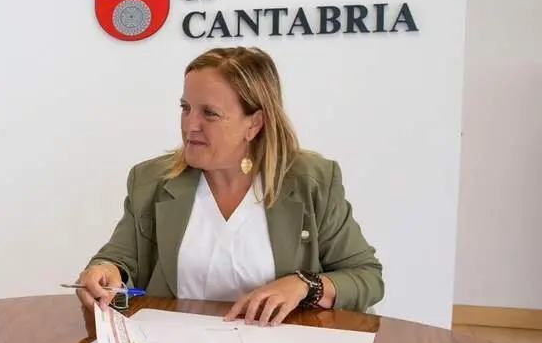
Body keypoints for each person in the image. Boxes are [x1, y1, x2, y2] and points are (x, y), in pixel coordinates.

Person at [74, 46, 383, 324]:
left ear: (254, 123)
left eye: (209, 113)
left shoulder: (312, 181)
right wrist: (104, 271)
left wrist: (304, 285)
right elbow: (118, 258)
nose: (189, 125)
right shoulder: (151, 180)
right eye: (185, 108)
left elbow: (366, 277)